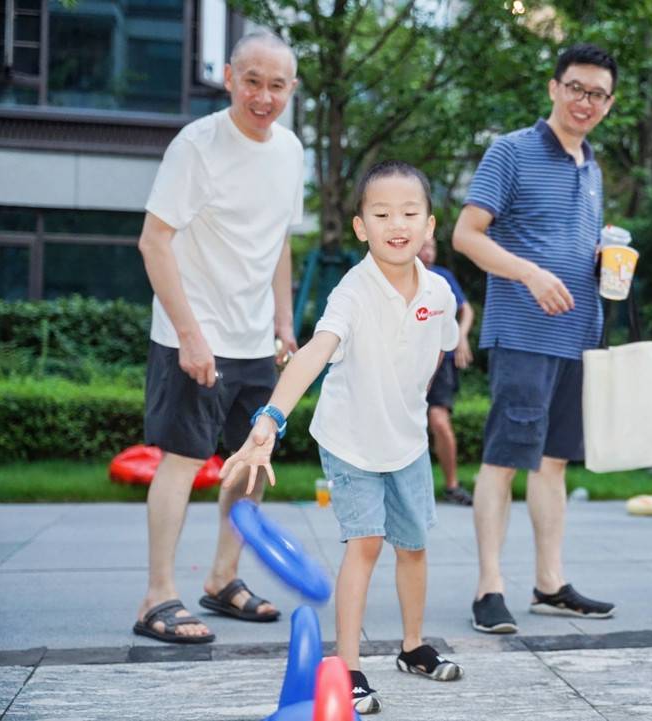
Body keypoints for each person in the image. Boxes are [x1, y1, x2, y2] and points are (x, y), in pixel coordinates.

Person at [220, 161, 465, 715]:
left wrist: (410, 402)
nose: (396, 223)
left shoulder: (440, 291)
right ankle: (349, 666)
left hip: (406, 442)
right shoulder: (352, 292)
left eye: (409, 212)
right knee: (367, 544)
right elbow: (314, 352)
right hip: (351, 439)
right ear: (361, 227)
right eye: (381, 214)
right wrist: (269, 420)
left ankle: (412, 647)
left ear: (430, 225)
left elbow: (442, 347)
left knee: (415, 547)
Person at [133, 31, 304, 644]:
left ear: (291, 89)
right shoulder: (197, 145)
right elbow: (154, 242)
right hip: (195, 334)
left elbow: (278, 240)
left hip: (257, 339)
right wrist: (190, 336)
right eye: (252, 81)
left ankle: (223, 579)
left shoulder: (290, 151)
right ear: (229, 76)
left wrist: (284, 322)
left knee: (250, 466)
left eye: (276, 85)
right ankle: (158, 596)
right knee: (182, 461)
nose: (263, 96)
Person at [453, 43, 618, 634]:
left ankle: (550, 583)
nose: (585, 102)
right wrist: (528, 271)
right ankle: (488, 587)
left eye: (598, 94)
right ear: (554, 88)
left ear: (609, 103)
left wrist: (608, 268)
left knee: (553, 466)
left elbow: (573, 245)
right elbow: (466, 235)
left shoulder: (592, 166)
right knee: (503, 461)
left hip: (578, 336)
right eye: (576, 88)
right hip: (524, 333)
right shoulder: (512, 151)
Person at [418, 238, 476, 506]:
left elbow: (467, 311)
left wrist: (461, 337)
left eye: (432, 247)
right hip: (406, 360)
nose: (428, 251)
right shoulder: (395, 274)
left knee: (438, 421)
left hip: (441, 361)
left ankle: (451, 486)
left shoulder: (443, 278)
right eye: (424, 246)